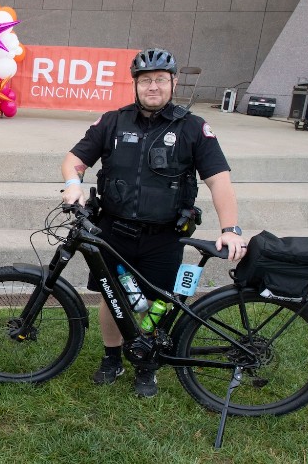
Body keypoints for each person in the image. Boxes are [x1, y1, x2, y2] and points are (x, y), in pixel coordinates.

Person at [60, 47, 247, 397]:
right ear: (135, 84)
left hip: (163, 236)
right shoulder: (113, 122)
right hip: (113, 231)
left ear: (173, 83)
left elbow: (219, 179)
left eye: (161, 79)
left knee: (158, 301)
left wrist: (230, 229)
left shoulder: (192, 128)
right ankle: (112, 357)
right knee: (110, 297)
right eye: (146, 80)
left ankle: (147, 366)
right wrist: (74, 184)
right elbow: (74, 160)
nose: (153, 87)